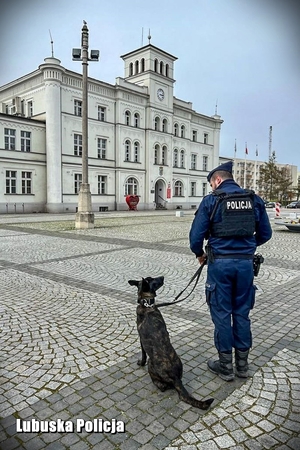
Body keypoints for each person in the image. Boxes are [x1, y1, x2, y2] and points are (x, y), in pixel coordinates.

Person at [189, 161, 272, 381]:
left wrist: (200, 253)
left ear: (216, 180)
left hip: (220, 266)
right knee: (242, 313)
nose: (212, 189)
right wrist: (246, 247)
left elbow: (195, 237)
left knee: (222, 314)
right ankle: (242, 366)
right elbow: (265, 234)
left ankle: (225, 367)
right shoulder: (254, 200)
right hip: (245, 266)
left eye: (211, 185)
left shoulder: (211, 201)